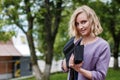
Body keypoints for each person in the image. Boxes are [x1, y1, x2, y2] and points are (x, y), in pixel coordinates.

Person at [61, 5, 111, 80]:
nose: (80, 27)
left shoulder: (102, 46)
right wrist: (66, 62)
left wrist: (79, 69)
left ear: (92, 21)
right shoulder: (76, 42)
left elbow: (100, 76)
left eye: (83, 22)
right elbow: (65, 68)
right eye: (77, 24)